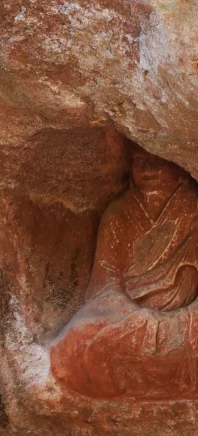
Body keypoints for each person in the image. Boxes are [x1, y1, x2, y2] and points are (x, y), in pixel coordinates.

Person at [50, 149, 198, 399]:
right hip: (129, 321)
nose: (148, 170)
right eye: (140, 163)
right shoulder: (119, 214)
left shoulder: (194, 212)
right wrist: (136, 318)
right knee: (76, 340)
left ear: (183, 169)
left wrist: (186, 318)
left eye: (158, 161)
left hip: (186, 320)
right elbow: (104, 284)